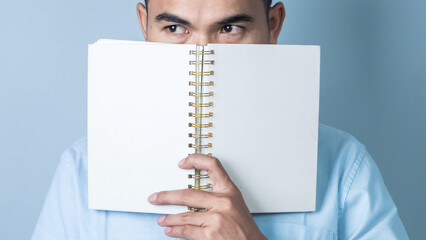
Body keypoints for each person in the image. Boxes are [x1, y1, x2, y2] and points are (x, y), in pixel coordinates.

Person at [31, 0, 409, 239]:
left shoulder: (344, 164)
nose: (202, 54)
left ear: (273, 25)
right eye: (175, 28)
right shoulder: (82, 169)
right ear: (144, 24)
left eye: (230, 28)